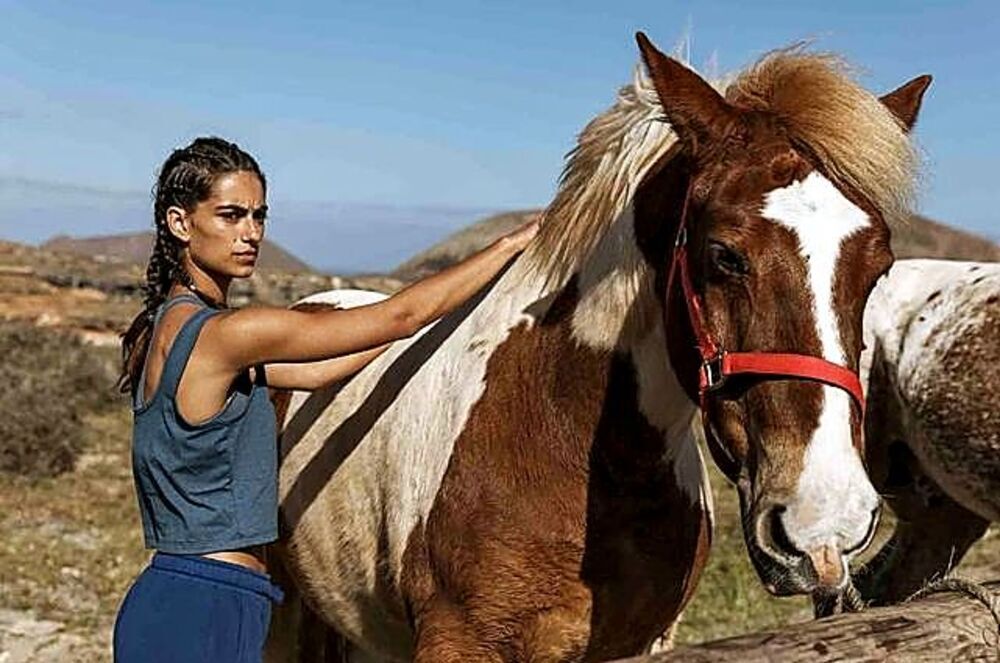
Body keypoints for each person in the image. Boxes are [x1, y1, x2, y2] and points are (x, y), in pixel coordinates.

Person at [113, 136, 538, 662]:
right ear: (180, 223)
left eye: (258, 215)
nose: (251, 233)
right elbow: (399, 315)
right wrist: (510, 246)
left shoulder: (169, 332)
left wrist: (418, 334)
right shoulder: (224, 336)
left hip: (177, 596)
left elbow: (320, 370)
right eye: (230, 215)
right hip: (208, 605)